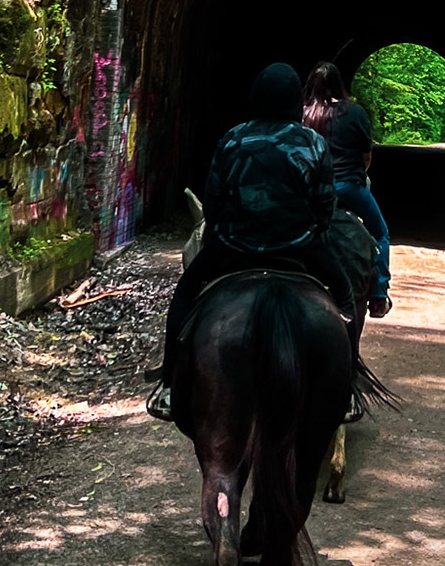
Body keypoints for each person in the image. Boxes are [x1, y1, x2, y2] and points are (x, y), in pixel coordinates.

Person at [145, 62, 361, 422]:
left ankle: (168, 384)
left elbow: (214, 202)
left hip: (232, 247)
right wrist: (308, 235)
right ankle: (348, 388)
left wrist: (229, 232)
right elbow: (325, 208)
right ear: (295, 101)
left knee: (185, 293)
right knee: (344, 295)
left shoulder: (233, 138)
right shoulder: (312, 143)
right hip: (299, 247)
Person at [303, 62, 392, 317]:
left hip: (312, 191)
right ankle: (377, 296)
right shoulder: (355, 112)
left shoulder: (304, 114)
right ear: (339, 84)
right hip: (349, 188)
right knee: (381, 233)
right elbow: (366, 157)